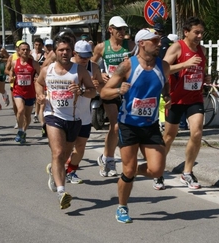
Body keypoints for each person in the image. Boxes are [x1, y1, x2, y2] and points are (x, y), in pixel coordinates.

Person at [100, 28, 170, 223]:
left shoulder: (163, 66)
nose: (158, 44)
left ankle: (132, 170)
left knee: (157, 170)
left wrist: (168, 95)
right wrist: (118, 91)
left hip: (150, 125)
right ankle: (122, 207)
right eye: (154, 41)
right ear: (142, 43)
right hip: (128, 125)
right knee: (128, 172)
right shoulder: (127, 66)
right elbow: (104, 93)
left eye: (158, 40)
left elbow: (164, 83)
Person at [35, 35, 96, 209]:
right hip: (53, 115)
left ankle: (54, 174)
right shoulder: (48, 70)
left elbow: (93, 91)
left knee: (64, 156)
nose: (64, 52)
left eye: (67, 50)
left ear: (72, 52)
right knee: (58, 152)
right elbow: (38, 83)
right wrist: (40, 95)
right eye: (61, 49)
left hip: (74, 118)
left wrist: (82, 90)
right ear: (55, 51)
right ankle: (62, 192)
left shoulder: (80, 71)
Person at [162, 17, 210, 190]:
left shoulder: (202, 50)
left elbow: (200, 70)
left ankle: (187, 172)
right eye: (196, 32)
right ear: (186, 32)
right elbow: (163, 68)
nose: (199, 36)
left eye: (201, 33)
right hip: (176, 98)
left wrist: (206, 77)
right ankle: (158, 170)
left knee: (196, 133)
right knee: (169, 136)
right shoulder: (177, 47)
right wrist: (185, 64)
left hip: (195, 98)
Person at [91, 16, 135, 177]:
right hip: (109, 90)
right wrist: (100, 74)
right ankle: (109, 159)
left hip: (127, 90)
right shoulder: (102, 47)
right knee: (115, 125)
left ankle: (105, 157)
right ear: (110, 29)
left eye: (123, 29)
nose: (122, 32)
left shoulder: (130, 46)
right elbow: (91, 65)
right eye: (118, 29)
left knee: (124, 125)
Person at [65, 40, 105, 184]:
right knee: (66, 146)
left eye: (88, 56)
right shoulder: (66, 65)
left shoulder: (93, 67)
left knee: (80, 146)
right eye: (82, 56)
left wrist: (97, 85)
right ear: (74, 53)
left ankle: (70, 171)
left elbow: (100, 87)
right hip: (66, 113)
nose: (85, 60)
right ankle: (60, 167)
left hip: (84, 113)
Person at [9, 42, 41, 144]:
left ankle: (24, 131)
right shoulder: (15, 62)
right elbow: (11, 71)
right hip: (18, 91)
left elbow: (41, 76)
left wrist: (38, 80)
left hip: (30, 92)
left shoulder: (34, 63)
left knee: (27, 116)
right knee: (20, 110)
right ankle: (20, 131)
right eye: (23, 49)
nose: (25, 51)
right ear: (19, 51)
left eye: (27, 49)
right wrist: (10, 77)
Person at [5, 40, 24, 129]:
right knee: (15, 104)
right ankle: (18, 120)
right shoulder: (12, 57)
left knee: (26, 106)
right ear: (17, 48)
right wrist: (11, 75)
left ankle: (24, 120)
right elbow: (6, 70)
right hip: (15, 85)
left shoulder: (29, 57)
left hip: (27, 86)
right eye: (20, 48)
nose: (23, 50)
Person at [31, 37, 46, 124]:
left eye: (39, 45)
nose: (38, 46)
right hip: (31, 78)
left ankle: (36, 114)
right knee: (33, 96)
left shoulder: (44, 55)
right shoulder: (30, 53)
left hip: (39, 78)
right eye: (36, 44)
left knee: (38, 96)